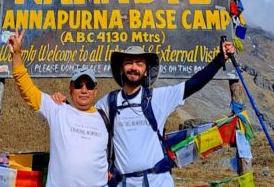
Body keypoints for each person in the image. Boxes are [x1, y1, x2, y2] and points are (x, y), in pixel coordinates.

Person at [53, 40, 236, 186]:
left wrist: (220, 59)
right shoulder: (108, 102)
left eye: (139, 63)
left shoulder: (159, 98)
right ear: (122, 68)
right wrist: (66, 104)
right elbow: (85, 119)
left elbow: (194, 84)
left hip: (158, 182)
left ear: (145, 69)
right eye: (129, 62)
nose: (134, 67)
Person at [8, 29, 109, 187]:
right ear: (70, 89)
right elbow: (27, 88)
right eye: (78, 85)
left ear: (95, 91)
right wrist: (16, 54)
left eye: (89, 86)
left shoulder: (106, 117)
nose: (84, 90)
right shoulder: (57, 109)